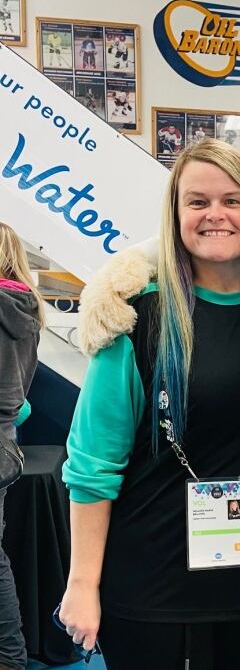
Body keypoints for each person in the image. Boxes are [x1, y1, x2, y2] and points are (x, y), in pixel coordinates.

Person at [59, 140, 240, 670]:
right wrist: (82, 584)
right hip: (151, 586)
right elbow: (93, 466)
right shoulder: (136, 321)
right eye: (197, 202)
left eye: (232, 200)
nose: (215, 214)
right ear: (175, 216)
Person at [0, 223, 45, 670]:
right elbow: (21, 402)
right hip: (8, 443)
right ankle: (10, 657)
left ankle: (9, 657)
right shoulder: (26, 310)